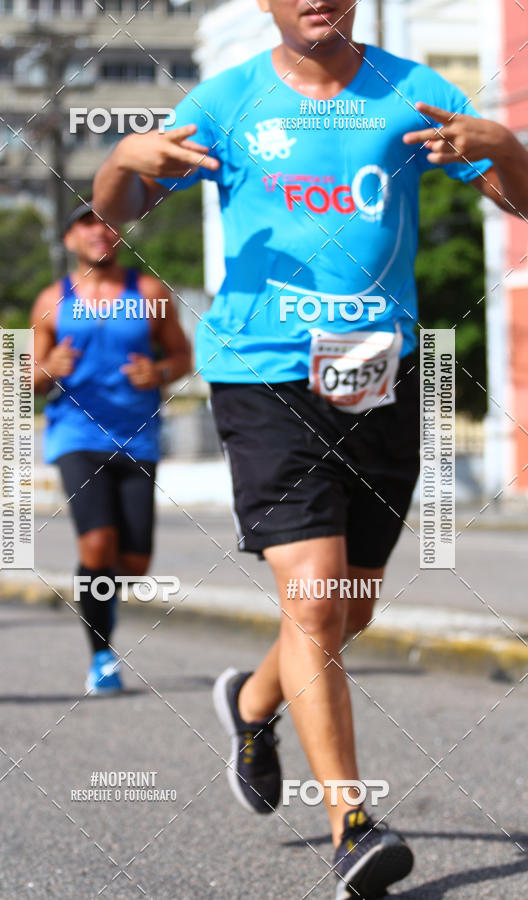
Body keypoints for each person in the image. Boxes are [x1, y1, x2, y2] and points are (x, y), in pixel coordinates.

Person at [92, 0, 528, 893]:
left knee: (349, 609)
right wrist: (119, 162)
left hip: (376, 374)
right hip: (263, 371)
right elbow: (119, 211)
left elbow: (516, 197)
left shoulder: (411, 91)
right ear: (267, 3)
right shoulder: (226, 100)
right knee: (316, 599)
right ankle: (352, 828)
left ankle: (252, 707)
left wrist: (510, 150)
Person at [31, 202, 191, 695]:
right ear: (69, 240)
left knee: (135, 562)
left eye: (108, 223)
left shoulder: (147, 292)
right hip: (76, 434)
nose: (101, 231)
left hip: (138, 436)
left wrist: (160, 373)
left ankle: (96, 592)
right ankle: (101, 654)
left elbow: (183, 354)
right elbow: (27, 378)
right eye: (86, 223)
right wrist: (47, 368)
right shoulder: (50, 301)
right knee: (97, 544)